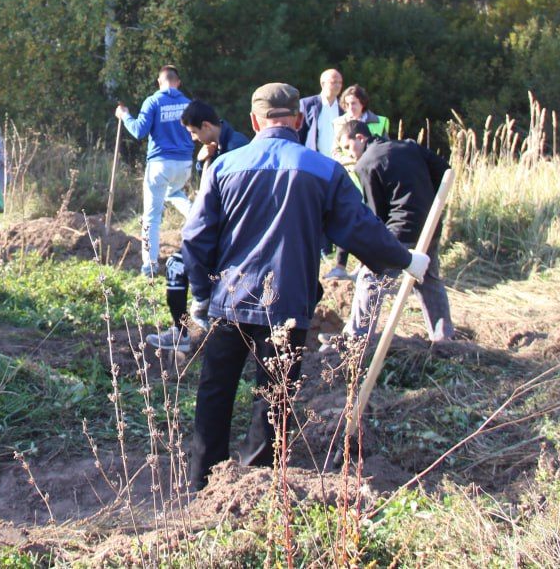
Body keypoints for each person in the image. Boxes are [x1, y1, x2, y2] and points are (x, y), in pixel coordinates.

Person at [181, 83, 429, 491]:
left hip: (231, 301)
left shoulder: (223, 167)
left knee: (215, 392)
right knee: (274, 398)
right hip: (288, 304)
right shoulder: (324, 170)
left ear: (255, 121)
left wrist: (205, 294)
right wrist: (405, 258)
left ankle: (201, 484)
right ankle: (257, 485)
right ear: (298, 120)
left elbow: (195, 238)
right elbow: (359, 227)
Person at [327, 119, 454, 348]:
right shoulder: (409, 146)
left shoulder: (365, 163)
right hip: (430, 225)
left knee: (370, 278)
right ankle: (443, 336)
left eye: (348, 146)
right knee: (428, 279)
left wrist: (379, 251)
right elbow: (444, 170)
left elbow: (376, 214)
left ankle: (356, 337)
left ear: (360, 137)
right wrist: (427, 202)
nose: (349, 154)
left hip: (400, 230)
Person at [146, 100, 250, 353]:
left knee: (177, 264)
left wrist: (209, 161)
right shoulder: (219, 146)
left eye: (194, 132)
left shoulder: (237, 148)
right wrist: (203, 161)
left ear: (206, 125)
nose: (193, 139)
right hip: (215, 231)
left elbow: (224, 195)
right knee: (175, 265)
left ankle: (201, 313)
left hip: (229, 236)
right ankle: (182, 330)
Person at [116, 66, 194, 277]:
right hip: (184, 163)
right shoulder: (188, 104)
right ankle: (197, 217)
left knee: (151, 217)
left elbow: (139, 131)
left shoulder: (153, 101)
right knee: (174, 193)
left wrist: (124, 116)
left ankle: (149, 266)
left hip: (160, 163)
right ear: (177, 82)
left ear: (160, 82)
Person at [324, 84, 392, 280]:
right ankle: (340, 265)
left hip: (372, 175)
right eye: (346, 104)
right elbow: (335, 151)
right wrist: (350, 161)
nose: (350, 107)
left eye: (354, 103)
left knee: (371, 217)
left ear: (362, 103)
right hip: (349, 174)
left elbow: (385, 146)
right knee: (345, 216)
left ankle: (366, 264)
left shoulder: (379, 122)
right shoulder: (339, 123)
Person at [298, 68, 344, 156]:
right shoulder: (307, 104)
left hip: (336, 161)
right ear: (323, 84)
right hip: (312, 159)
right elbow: (299, 133)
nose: (338, 86)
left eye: (340, 82)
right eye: (334, 82)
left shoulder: (343, 107)